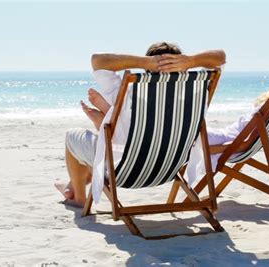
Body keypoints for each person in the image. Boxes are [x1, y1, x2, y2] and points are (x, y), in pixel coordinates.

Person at [55, 42, 226, 207]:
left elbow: (97, 61)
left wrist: (145, 62)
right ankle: (72, 184)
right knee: (106, 144)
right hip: (169, 171)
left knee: (73, 135)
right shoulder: (197, 92)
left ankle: (78, 197)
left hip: (126, 173)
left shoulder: (130, 92)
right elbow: (221, 57)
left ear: (148, 69)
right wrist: (191, 61)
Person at [185, 45, 269, 184]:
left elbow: (244, 145)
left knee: (186, 137)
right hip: (228, 137)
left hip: (229, 141)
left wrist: (215, 150)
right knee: (188, 134)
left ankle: (184, 183)